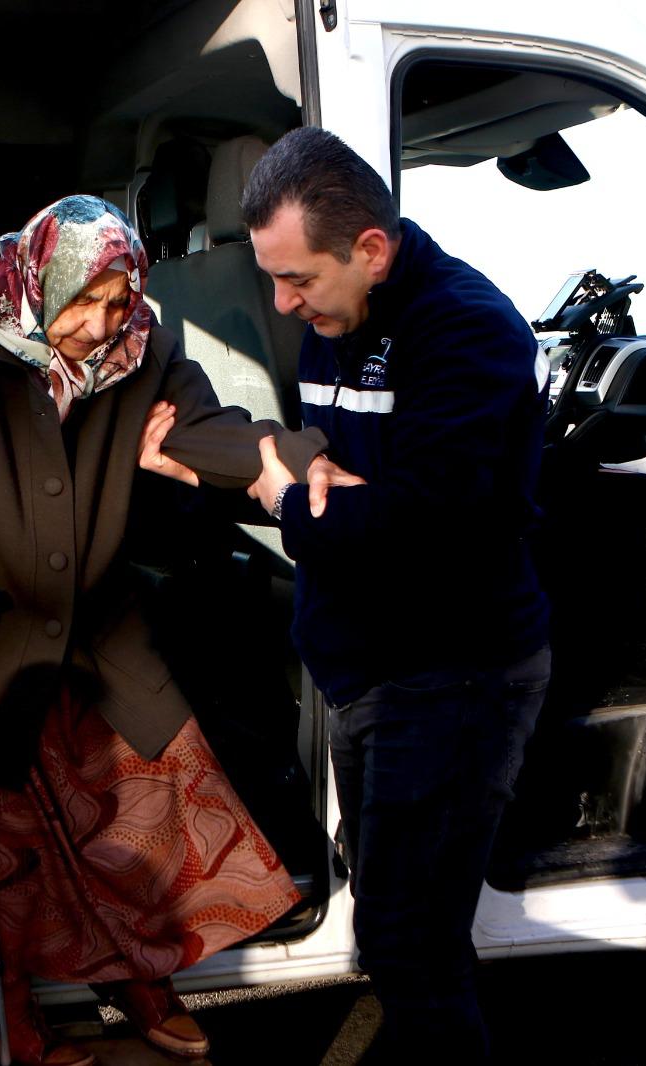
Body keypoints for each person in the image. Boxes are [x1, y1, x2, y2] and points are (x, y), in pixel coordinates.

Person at [0, 194, 328, 1065]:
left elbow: (205, 428)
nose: (101, 325)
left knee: (149, 796)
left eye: (118, 301)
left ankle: (136, 969)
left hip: (93, 615)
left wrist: (285, 460)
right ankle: (2, 1002)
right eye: (86, 302)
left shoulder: (146, 340)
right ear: (41, 273)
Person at [238, 126, 551, 1061]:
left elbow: (416, 528)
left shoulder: (465, 329)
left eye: (299, 281)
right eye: (274, 280)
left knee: (408, 947)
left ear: (370, 248)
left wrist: (286, 495)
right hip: (369, 670)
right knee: (395, 925)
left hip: (452, 679)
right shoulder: (341, 316)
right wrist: (313, 469)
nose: (287, 306)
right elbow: (341, 469)